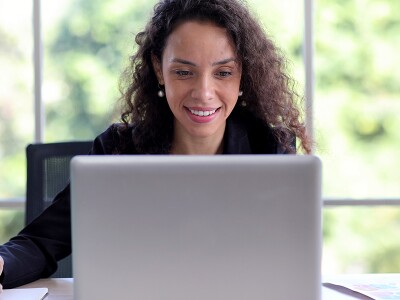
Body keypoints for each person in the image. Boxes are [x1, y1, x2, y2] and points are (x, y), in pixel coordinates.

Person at [0, 0, 312, 290]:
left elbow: (286, 259)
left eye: (223, 72)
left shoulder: (269, 147)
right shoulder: (118, 149)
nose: (204, 92)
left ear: (242, 73)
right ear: (158, 69)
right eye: (184, 72)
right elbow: (40, 243)